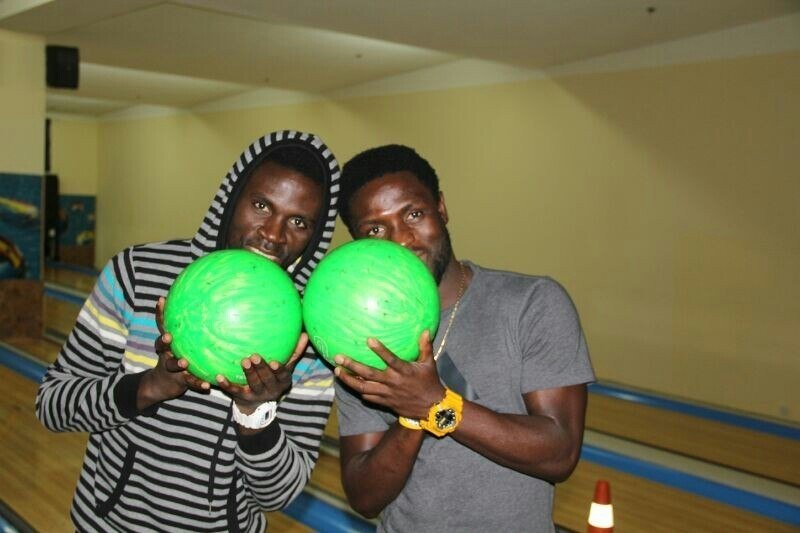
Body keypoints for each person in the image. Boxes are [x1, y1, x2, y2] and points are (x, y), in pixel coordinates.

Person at [35, 131, 340, 532]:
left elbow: (279, 495)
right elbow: (52, 406)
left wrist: (255, 415)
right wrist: (149, 386)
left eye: (298, 222)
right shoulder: (137, 274)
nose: (273, 234)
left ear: (315, 236)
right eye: (261, 205)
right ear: (232, 198)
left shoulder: (308, 336)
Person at [333, 144, 595, 532]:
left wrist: (437, 404)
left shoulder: (532, 304)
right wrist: (412, 416)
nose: (402, 240)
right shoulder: (361, 341)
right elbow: (365, 496)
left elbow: (560, 452)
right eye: (376, 230)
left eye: (413, 214)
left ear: (441, 208)